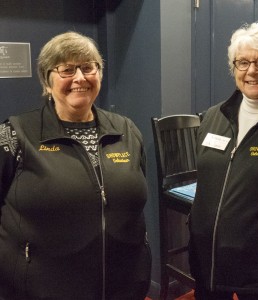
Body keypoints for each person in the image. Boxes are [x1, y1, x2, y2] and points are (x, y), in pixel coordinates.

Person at [0, 31, 151, 300]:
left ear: (99, 75)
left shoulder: (126, 130)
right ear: (47, 82)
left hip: (124, 285)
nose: (79, 78)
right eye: (67, 69)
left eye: (88, 67)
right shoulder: (15, 134)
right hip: (42, 290)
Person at [189, 20, 258, 300]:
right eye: (242, 62)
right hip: (209, 263)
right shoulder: (212, 117)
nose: (251, 71)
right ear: (234, 68)